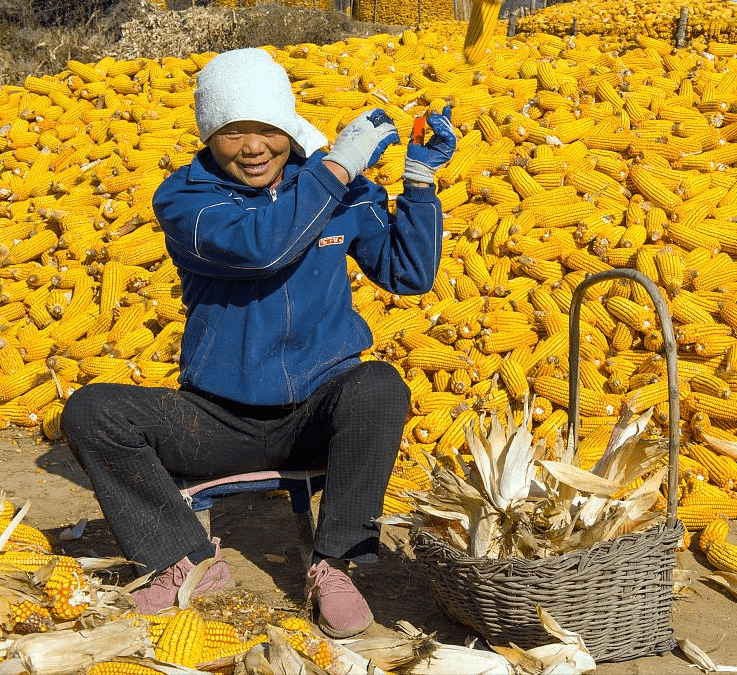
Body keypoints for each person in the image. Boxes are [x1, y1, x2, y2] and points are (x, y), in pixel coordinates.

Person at [61, 47, 454, 639]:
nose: (253, 147)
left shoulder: (334, 188)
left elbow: (408, 274)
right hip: (218, 420)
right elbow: (262, 247)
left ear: (287, 128)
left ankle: (334, 564)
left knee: (378, 385)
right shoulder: (187, 200)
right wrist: (338, 168)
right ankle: (185, 558)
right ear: (208, 135)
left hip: (316, 413)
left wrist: (419, 184)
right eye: (232, 132)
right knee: (92, 412)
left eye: (267, 129)